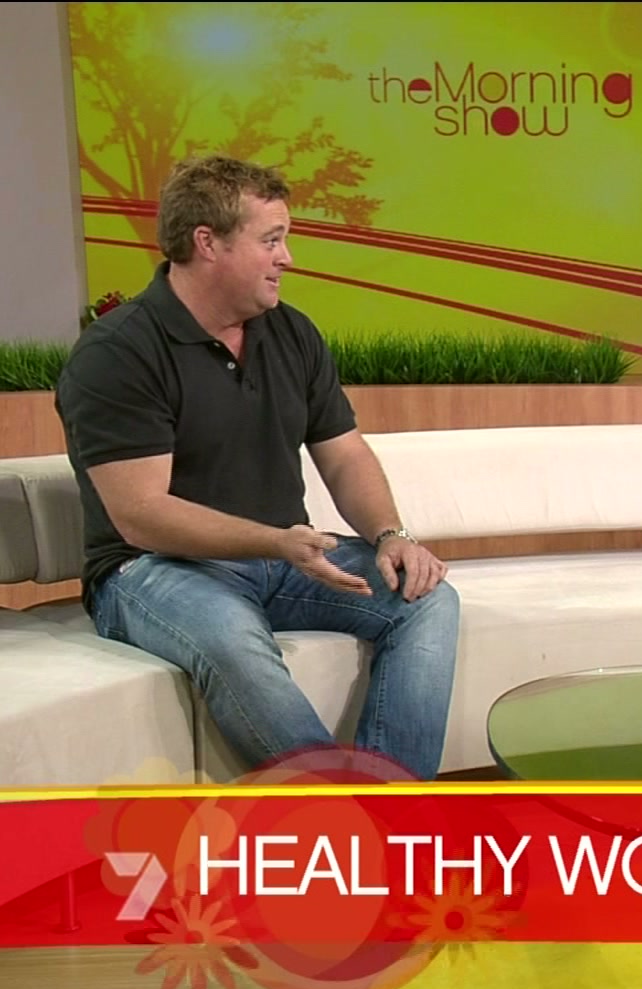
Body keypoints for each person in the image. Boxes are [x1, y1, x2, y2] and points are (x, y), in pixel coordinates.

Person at [55, 155, 460, 781]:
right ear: (207, 243)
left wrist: (391, 536)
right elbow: (141, 515)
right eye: (271, 240)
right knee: (231, 638)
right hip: (153, 569)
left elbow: (345, 453)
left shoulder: (290, 333)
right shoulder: (120, 352)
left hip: (282, 559)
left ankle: (391, 806)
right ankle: (341, 817)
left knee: (427, 598)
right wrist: (274, 541)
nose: (287, 258)